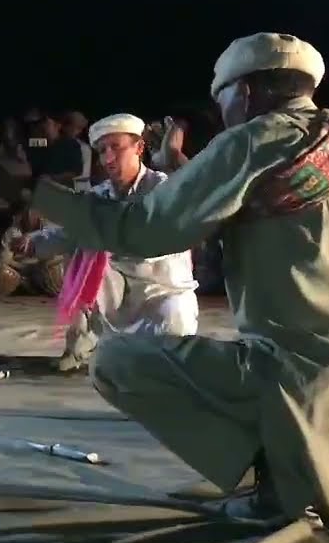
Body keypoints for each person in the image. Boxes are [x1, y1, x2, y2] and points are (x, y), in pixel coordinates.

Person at [28, 33, 329, 529]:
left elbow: (141, 228)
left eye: (221, 99)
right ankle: (321, 459)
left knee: (116, 363)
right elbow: (226, 190)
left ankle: (280, 481)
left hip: (317, 382)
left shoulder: (254, 139)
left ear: (243, 93)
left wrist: (34, 192)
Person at [12, 113, 199, 372]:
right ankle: (81, 344)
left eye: (116, 147)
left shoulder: (162, 187)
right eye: (101, 150)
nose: (108, 158)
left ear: (139, 148)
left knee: (172, 341)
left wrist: (175, 157)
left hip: (163, 294)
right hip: (118, 302)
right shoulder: (99, 196)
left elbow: (195, 197)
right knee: (88, 247)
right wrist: (34, 243)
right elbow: (70, 232)